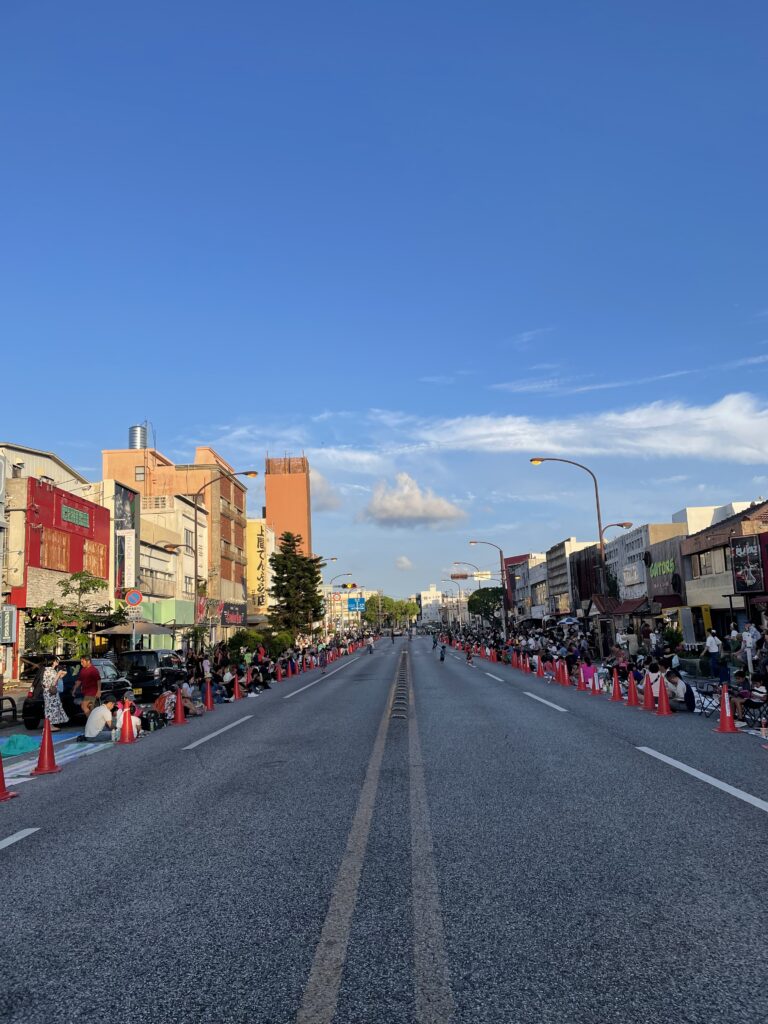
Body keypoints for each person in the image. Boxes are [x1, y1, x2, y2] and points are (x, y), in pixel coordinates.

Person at [41, 657, 68, 731]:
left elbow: (57, 679)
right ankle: (48, 725)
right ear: (53, 661)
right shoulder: (49, 670)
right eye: (57, 660)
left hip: (50, 692)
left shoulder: (48, 670)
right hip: (50, 692)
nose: (58, 662)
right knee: (51, 708)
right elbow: (53, 683)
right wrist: (58, 674)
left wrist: (61, 674)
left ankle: (50, 725)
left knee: (51, 708)